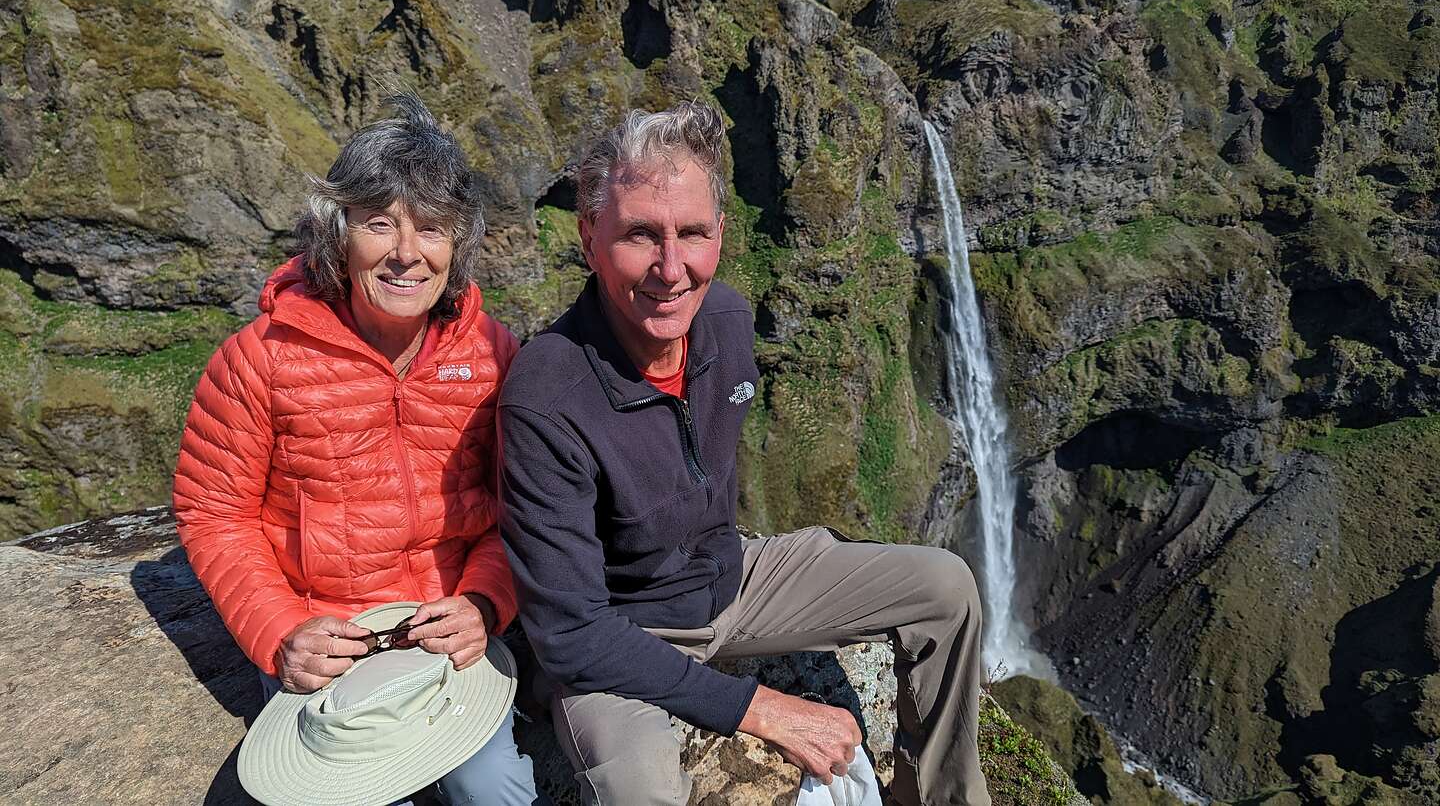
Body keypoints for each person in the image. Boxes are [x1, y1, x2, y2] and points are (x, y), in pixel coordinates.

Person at [499, 101, 991, 806]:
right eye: (641, 234)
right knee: (640, 788)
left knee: (946, 588)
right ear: (589, 236)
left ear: (720, 235)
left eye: (692, 233)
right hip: (621, 636)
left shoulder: (726, 319)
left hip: (733, 579)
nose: (672, 269)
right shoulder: (547, 398)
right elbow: (571, 632)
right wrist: (759, 707)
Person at [173, 94, 547, 806]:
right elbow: (215, 513)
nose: (407, 253)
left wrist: (486, 600)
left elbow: (520, 506)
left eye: (432, 230)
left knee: (493, 787)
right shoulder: (260, 359)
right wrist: (282, 632)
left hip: (446, 629)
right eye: (380, 224)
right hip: (326, 636)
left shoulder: (493, 354)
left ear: (457, 246)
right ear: (337, 233)